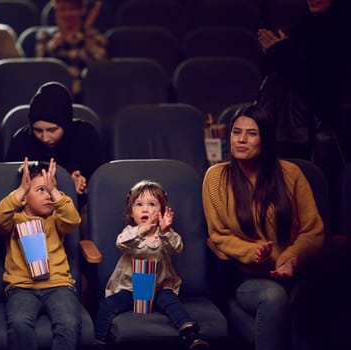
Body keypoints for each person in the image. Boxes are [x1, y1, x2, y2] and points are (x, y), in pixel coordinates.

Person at [202, 104, 325, 350]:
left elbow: (313, 231)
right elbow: (218, 235)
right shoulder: (216, 177)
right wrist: (253, 252)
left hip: (294, 273)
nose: (241, 140)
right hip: (247, 278)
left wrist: (290, 258)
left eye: (251, 133)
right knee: (274, 296)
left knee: (312, 299)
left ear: (266, 140)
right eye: (237, 132)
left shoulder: (291, 174)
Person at [93, 180, 209, 349]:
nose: (145, 209)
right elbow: (121, 243)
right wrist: (142, 229)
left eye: (152, 204)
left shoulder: (164, 234)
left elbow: (177, 248)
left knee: (173, 304)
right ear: (131, 212)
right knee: (108, 305)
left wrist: (166, 231)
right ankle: (99, 340)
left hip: (159, 287)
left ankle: (190, 334)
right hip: (130, 288)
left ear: (161, 210)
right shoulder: (130, 232)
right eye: (139, 204)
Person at [256, 0, 349, 196]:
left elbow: (322, 82)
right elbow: (275, 71)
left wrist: (281, 52)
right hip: (289, 124)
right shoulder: (302, 26)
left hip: (326, 124)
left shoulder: (343, 28)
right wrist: (275, 52)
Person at [0, 157, 82, 350]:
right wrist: (19, 192)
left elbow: (73, 221)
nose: (48, 195)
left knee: (68, 323)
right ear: (24, 197)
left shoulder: (57, 218)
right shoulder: (14, 219)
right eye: (41, 190)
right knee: (19, 323)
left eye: (51, 189)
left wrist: (55, 192)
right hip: (22, 286)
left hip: (59, 285)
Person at [4, 81, 106, 237]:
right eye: (38, 130)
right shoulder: (22, 139)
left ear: (65, 124)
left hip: (77, 208)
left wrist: (82, 183)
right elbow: (13, 184)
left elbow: (101, 182)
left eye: (52, 130)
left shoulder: (86, 135)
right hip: (34, 211)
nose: (45, 137)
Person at [35, 0, 107, 102]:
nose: (68, 14)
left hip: (87, 96)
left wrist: (85, 34)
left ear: (81, 10)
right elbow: (41, 67)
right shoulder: (45, 37)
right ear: (56, 11)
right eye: (62, 9)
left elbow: (100, 66)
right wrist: (61, 37)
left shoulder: (96, 38)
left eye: (72, 9)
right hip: (52, 96)